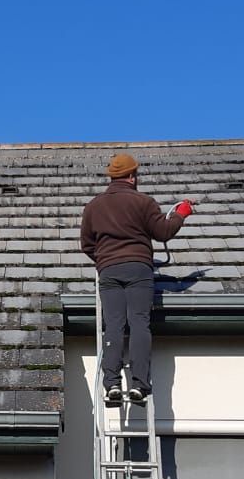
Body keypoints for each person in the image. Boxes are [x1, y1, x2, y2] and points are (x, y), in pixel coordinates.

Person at [80, 153, 190, 406]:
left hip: (108, 271)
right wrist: (181, 214)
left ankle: (112, 384)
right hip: (139, 269)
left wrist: (104, 260)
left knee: (114, 325)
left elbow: (87, 244)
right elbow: (163, 232)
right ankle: (139, 384)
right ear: (132, 176)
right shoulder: (143, 202)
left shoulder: (93, 206)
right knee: (139, 323)